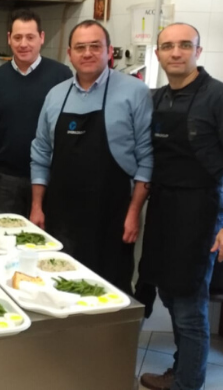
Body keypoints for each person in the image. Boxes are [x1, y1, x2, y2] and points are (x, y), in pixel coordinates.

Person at [30, 20, 153, 295]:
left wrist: (134, 214)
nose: (87, 53)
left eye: (95, 46)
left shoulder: (135, 92)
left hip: (113, 216)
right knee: (60, 285)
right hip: (62, 214)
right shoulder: (55, 95)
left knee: (110, 290)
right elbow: (40, 153)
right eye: (80, 47)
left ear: (109, 51)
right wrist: (37, 206)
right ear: (70, 53)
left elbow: (147, 158)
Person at [139, 23, 223, 390]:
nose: (176, 52)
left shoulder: (217, 97)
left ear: (197, 52)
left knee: (190, 307)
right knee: (169, 296)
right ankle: (180, 371)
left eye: (184, 45)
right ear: (157, 53)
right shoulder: (155, 98)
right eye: (168, 46)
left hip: (201, 213)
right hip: (163, 209)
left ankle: (188, 385)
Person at [0, 8, 72, 216]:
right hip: (6, 179)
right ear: (9, 39)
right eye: (17, 37)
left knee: (46, 240)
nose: (23, 44)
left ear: (41, 38)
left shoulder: (62, 76)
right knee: (7, 238)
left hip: (50, 178)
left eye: (30, 37)